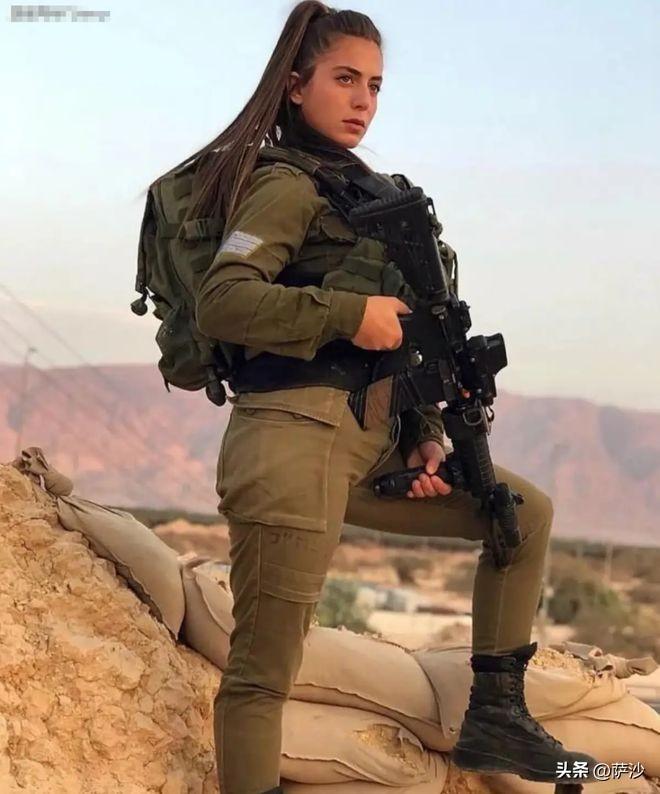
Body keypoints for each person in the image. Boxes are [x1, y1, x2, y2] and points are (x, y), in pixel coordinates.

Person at [174, 3, 601, 792]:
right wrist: (349, 315)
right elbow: (223, 301)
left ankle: (496, 716)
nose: (363, 100)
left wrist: (425, 433)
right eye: (344, 79)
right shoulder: (284, 186)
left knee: (521, 516)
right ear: (296, 85)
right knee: (263, 675)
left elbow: (409, 341)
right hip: (291, 441)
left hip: (370, 440)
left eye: (374, 85)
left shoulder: (374, 196)